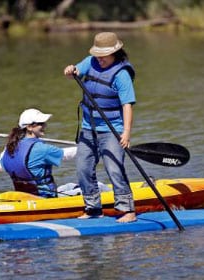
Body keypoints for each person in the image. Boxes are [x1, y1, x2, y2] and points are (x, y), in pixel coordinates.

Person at [64, 32, 137, 223]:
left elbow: (127, 105)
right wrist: (71, 70)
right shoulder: (91, 61)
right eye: (98, 54)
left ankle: (127, 210)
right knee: (83, 167)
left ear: (115, 52)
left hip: (112, 129)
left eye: (103, 55)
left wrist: (126, 132)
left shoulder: (121, 75)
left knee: (114, 169)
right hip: (89, 128)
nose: (100, 59)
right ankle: (93, 208)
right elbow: (76, 72)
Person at [0, 108, 77, 198]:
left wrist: (6, 148)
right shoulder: (41, 149)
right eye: (41, 124)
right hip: (44, 197)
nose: (45, 125)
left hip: (24, 196)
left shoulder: (11, 147)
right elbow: (67, 155)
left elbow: (0, 167)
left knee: (70, 185)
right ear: (29, 127)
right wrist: (87, 148)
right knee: (94, 187)